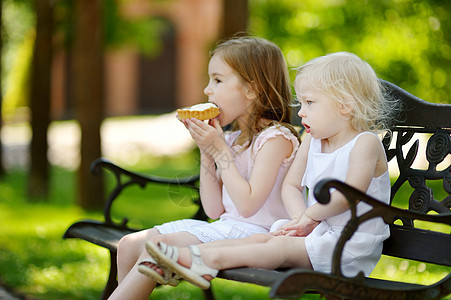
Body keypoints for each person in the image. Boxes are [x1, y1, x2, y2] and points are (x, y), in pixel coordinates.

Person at [139, 52, 400, 290]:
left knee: (277, 246)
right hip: (319, 234)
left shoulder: (365, 143)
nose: (301, 112)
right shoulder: (314, 139)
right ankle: (190, 258)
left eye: (310, 103)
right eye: (301, 102)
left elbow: (348, 196)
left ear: (345, 106)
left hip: (349, 245)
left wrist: (308, 217)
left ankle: (203, 260)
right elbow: (291, 186)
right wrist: (299, 219)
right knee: (264, 239)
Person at [107, 36, 300, 299]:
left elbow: (247, 206)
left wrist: (219, 151)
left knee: (163, 246)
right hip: (226, 227)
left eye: (218, 80)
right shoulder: (231, 138)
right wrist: (207, 150)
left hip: (260, 237)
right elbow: (213, 209)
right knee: (129, 244)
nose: (208, 90)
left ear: (251, 90)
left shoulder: (276, 138)